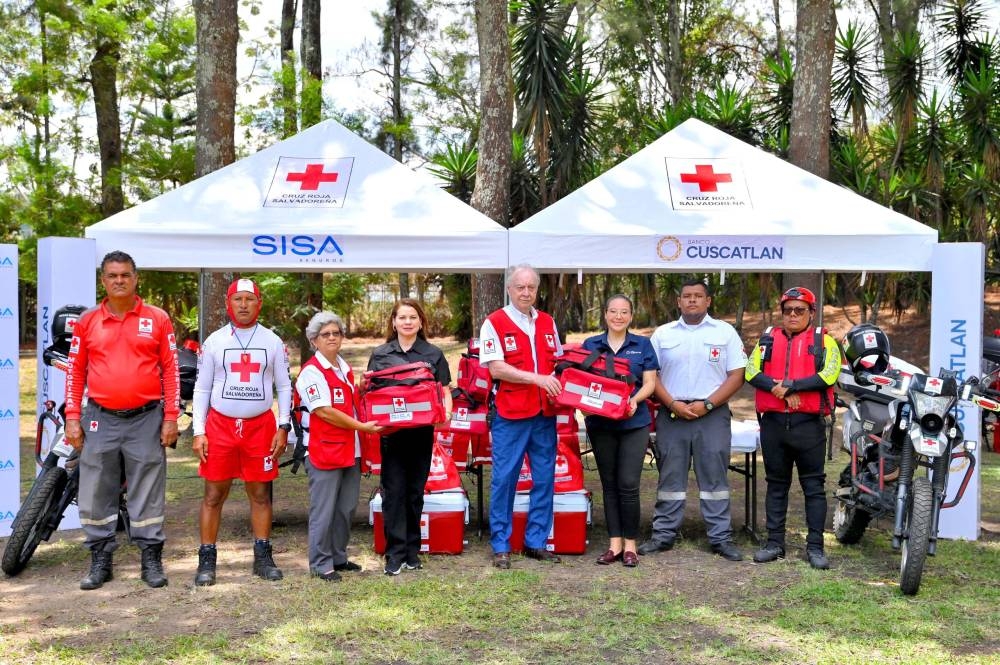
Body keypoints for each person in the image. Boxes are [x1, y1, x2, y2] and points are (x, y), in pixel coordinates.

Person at [64, 250, 180, 590]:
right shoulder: (87, 321)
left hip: (146, 418)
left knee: (148, 487)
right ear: (103, 280)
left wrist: (170, 416)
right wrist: (73, 417)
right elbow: (75, 372)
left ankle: (151, 558)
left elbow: (171, 370)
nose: (119, 280)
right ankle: (100, 559)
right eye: (112, 275)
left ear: (135, 278)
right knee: (97, 487)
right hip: (99, 417)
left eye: (125, 275)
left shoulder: (157, 318)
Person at [191, 278, 292, 586]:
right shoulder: (214, 342)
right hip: (220, 426)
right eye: (238, 299)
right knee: (213, 495)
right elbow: (202, 387)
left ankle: (262, 558)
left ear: (259, 303)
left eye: (250, 299)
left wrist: (283, 425)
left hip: (260, 427)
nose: (244, 304)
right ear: (228, 304)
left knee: (260, 493)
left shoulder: (272, 341)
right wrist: (198, 430)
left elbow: (284, 385)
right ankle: (207, 560)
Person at [642, 278, 746, 561]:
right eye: (686, 296)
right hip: (672, 413)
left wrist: (708, 403)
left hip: (711, 414)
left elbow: (737, 374)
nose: (692, 300)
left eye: (698, 296)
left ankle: (720, 538)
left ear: (708, 301)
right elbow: (652, 377)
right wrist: (672, 403)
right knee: (670, 476)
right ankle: (663, 535)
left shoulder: (725, 332)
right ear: (678, 301)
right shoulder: (662, 334)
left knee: (715, 477)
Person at [745, 286, 840, 570]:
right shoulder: (766, 340)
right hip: (773, 425)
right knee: (776, 485)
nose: (793, 315)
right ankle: (775, 543)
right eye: (788, 310)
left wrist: (791, 386)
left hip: (808, 425)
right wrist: (781, 391)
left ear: (811, 312)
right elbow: (751, 372)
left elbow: (829, 374)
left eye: (800, 310)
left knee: (814, 487)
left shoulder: (825, 342)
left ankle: (815, 548)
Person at [479, 264, 563, 569]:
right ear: (509, 289)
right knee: (504, 479)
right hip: (511, 414)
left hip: (545, 413)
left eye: (531, 287)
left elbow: (558, 363)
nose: (526, 292)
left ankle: (536, 542)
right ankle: (501, 544)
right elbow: (496, 368)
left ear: (537, 290)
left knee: (544, 478)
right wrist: (537, 379)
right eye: (520, 287)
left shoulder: (548, 322)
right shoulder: (494, 322)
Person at [367, 298, 453, 576]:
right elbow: (371, 393)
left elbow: (444, 391)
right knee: (393, 493)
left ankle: (412, 552)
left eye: (412, 317)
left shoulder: (433, 353)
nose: (407, 322)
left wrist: (446, 414)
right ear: (393, 322)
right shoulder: (380, 354)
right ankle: (394, 554)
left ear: (420, 322)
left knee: (415, 493)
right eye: (402, 317)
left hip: (421, 434)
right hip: (391, 435)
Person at [296, 311, 383, 581]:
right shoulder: (311, 372)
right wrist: (362, 428)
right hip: (324, 450)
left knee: (345, 508)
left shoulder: (342, 366)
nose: (332, 338)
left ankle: (338, 556)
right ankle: (321, 564)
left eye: (336, 333)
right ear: (314, 340)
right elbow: (324, 411)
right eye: (326, 334)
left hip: (350, 449)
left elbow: (348, 401)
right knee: (324, 509)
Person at [582, 294, 659, 568]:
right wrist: (585, 406)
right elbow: (582, 381)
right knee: (609, 484)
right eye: (613, 311)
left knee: (628, 485)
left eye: (624, 312)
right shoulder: (591, 345)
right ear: (605, 314)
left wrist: (634, 401)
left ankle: (630, 545)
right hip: (601, 425)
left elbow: (650, 382)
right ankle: (614, 545)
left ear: (630, 315)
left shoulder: (642, 345)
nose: (618, 316)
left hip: (633, 423)